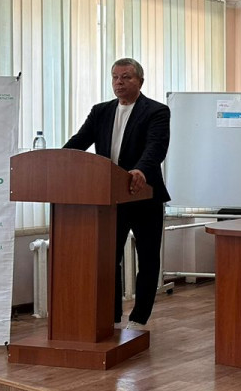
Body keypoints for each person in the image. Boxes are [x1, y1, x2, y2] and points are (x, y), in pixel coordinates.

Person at [64, 58, 170, 330]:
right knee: (109, 258)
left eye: (126, 77)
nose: (119, 82)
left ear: (140, 81)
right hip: (110, 196)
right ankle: (110, 316)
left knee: (148, 258)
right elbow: (79, 142)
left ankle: (139, 318)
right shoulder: (100, 111)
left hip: (144, 194)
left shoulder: (156, 111)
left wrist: (140, 169)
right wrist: (57, 160)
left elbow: (156, 147)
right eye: (115, 77)